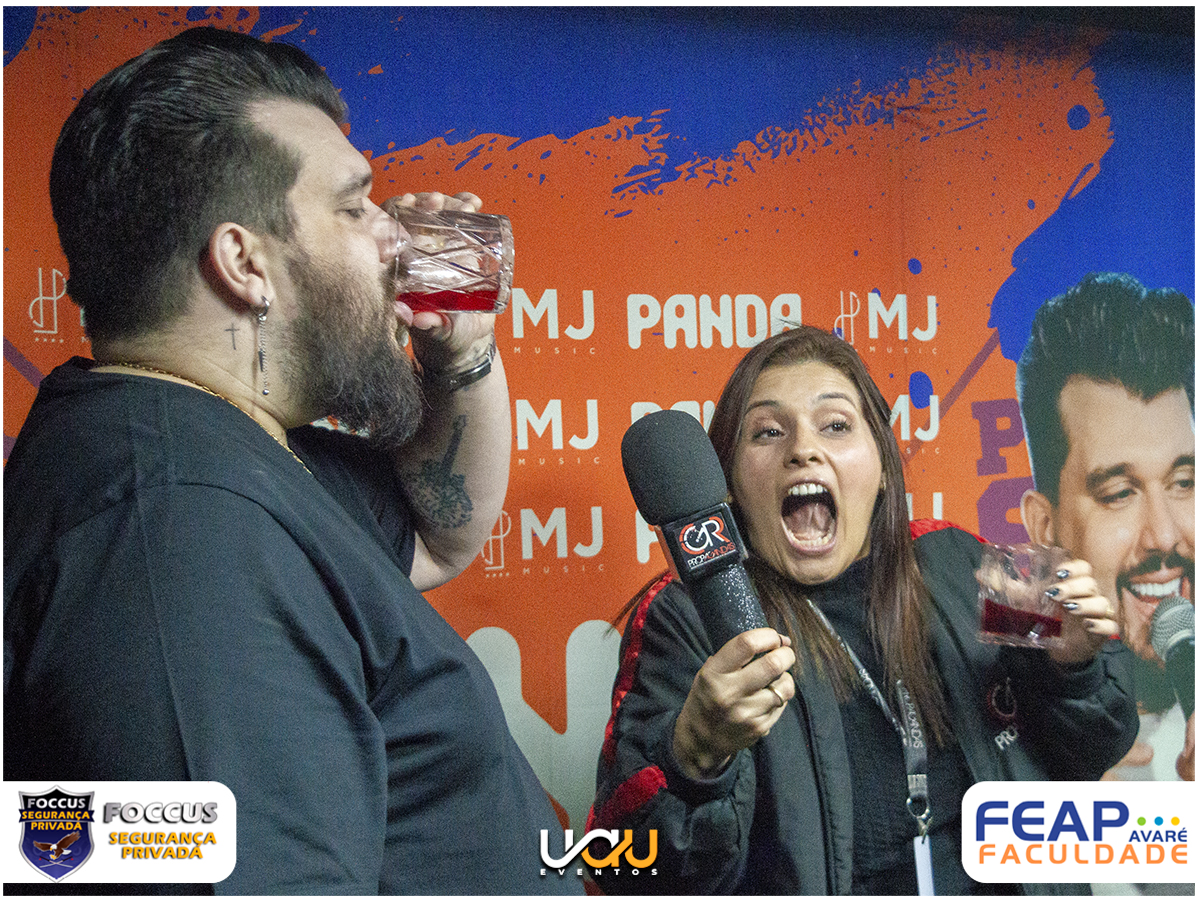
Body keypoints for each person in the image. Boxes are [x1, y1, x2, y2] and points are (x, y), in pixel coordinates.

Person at [3, 27, 577, 895]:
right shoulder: (178, 532)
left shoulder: (229, 445)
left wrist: (459, 352)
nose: (395, 237)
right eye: (355, 207)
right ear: (245, 263)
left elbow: (438, 534)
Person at [589, 325, 1138, 895]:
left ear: (881, 469)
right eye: (768, 431)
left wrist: (1073, 668)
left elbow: (1090, 754)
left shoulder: (958, 559)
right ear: (729, 484)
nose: (803, 450)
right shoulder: (686, 620)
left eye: (835, 425)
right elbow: (629, 872)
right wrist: (695, 757)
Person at [1016, 271, 1194, 784]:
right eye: (1119, 493)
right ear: (1044, 526)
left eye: (1184, 482)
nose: (1164, 536)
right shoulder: (1000, 732)